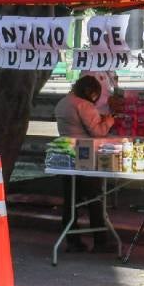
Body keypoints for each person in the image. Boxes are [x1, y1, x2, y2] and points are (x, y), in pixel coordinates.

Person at [55, 75, 115, 252]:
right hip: (85, 156)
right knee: (94, 198)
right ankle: (100, 241)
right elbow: (97, 132)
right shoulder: (83, 105)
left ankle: (72, 241)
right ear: (90, 92)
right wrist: (109, 121)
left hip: (66, 155)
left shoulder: (63, 102)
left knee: (71, 200)